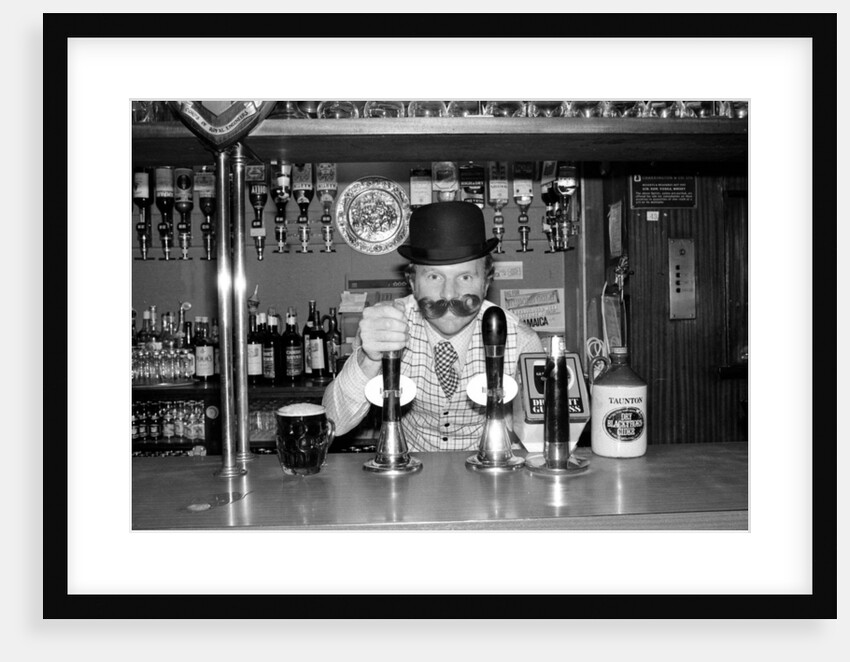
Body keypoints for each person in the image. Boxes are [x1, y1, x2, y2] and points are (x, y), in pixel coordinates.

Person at [323, 201, 543, 452]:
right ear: (412, 282)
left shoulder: (520, 340)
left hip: (492, 476)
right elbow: (334, 423)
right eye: (434, 277)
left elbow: (539, 438)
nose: (449, 294)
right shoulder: (386, 327)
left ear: (486, 282)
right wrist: (369, 359)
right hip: (410, 477)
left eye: (465, 277)